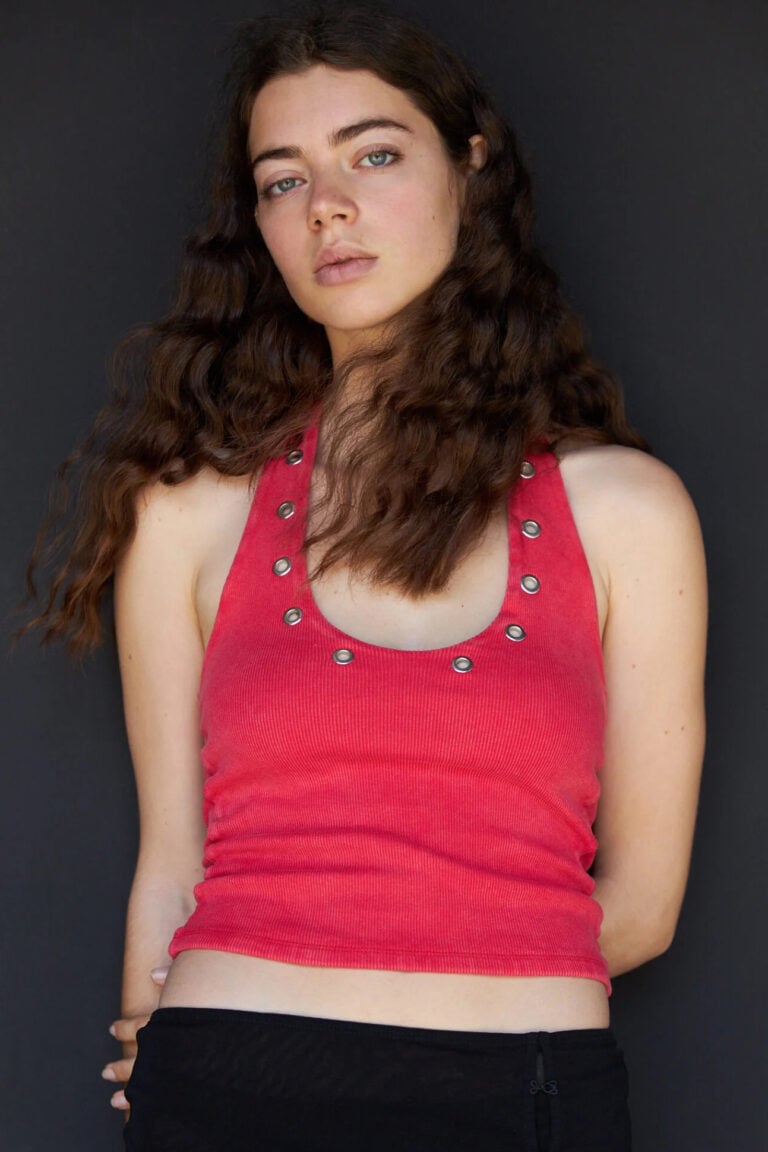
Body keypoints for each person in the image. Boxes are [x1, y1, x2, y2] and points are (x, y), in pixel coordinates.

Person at [28, 3, 707, 1148]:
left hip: (525, 1090)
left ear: (472, 169)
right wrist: (153, 1030)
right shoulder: (189, 510)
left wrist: (412, 994)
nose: (327, 207)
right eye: (283, 179)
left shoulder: (626, 512)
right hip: (227, 1081)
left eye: (375, 155)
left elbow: (643, 903)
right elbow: (173, 866)